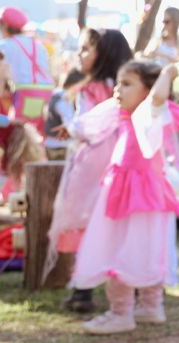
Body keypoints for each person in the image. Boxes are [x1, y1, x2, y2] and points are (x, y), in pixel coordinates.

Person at [67, 60, 179, 334]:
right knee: (144, 250)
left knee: (120, 251)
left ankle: (121, 313)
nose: (118, 89)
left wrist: (167, 73)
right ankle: (151, 307)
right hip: (139, 195)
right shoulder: (129, 118)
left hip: (135, 199)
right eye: (118, 82)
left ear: (149, 90)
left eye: (127, 83)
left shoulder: (151, 115)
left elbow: (156, 98)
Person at [52, 28, 133, 314]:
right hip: (117, 161)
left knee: (88, 222)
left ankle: (84, 289)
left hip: (98, 163)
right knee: (115, 225)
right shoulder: (121, 85)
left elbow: (94, 122)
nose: (79, 53)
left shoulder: (101, 87)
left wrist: (76, 129)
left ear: (105, 53)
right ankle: (119, 286)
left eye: (86, 49)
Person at [0, 6, 55, 134]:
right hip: (47, 91)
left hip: (26, 92)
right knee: (39, 133)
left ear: (4, 25)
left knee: (20, 133)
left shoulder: (4, 46)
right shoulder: (38, 44)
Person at [43, 69, 85, 160]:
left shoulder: (56, 95)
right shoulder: (63, 99)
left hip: (52, 143)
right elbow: (69, 123)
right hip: (60, 146)